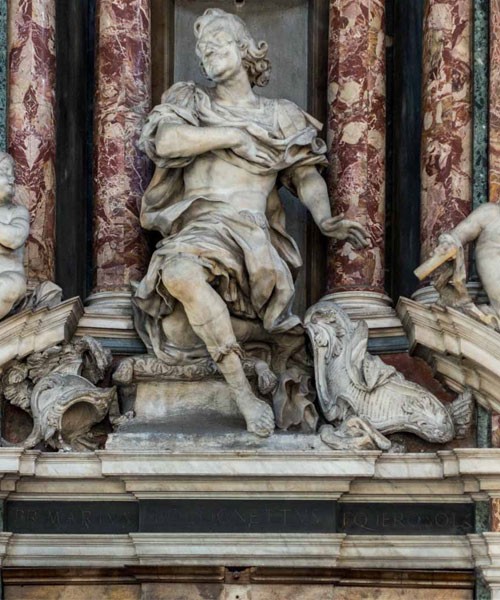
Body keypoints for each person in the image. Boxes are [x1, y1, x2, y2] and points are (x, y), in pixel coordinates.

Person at [133, 8, 369, 437]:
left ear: (244, 50)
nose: (207, 55)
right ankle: (244, 390)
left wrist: (326, 218)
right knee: (178, 282)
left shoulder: (280, 115)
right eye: (202, 50)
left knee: (181, 329)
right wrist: (233, 135)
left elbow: (306, 175)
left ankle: (263, 336)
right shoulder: (190, 102)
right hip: (198, 229)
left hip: (253, 239)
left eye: (217, 44)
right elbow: (165, 142)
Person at [0, 152, 29, 320]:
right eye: (4, 171)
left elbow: (15, 238)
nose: (12, 179)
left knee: (8, 286)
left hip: (8, 277)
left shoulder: (16, 212)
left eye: (12, 174)